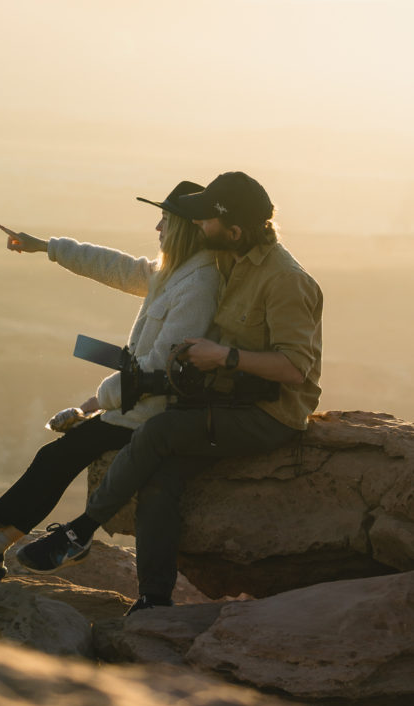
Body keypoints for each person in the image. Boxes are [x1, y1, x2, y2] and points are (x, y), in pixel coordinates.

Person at [17, 171, 323, 616]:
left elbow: (295, 369)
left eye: (206, 221)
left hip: (268, 414)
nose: (198, 226)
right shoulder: (223, 260)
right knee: (160, 480)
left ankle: (80, 530)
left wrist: (224, 355)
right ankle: (153, 599)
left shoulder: (284, 281)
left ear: (234, 231)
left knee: (158, 433)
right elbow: (133, 270)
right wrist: (49, 247)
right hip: (225, 402)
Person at [0, 180, 221, 580]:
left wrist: (94, 404)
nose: (158, 230)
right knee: (57, 459)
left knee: (54, 458)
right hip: (137, 404)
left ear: (184, 227)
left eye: (164, 221)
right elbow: (115, 266)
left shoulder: (198, 285)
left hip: (151, 415)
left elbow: (158, 370)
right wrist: (47, 247)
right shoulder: (174, 272)